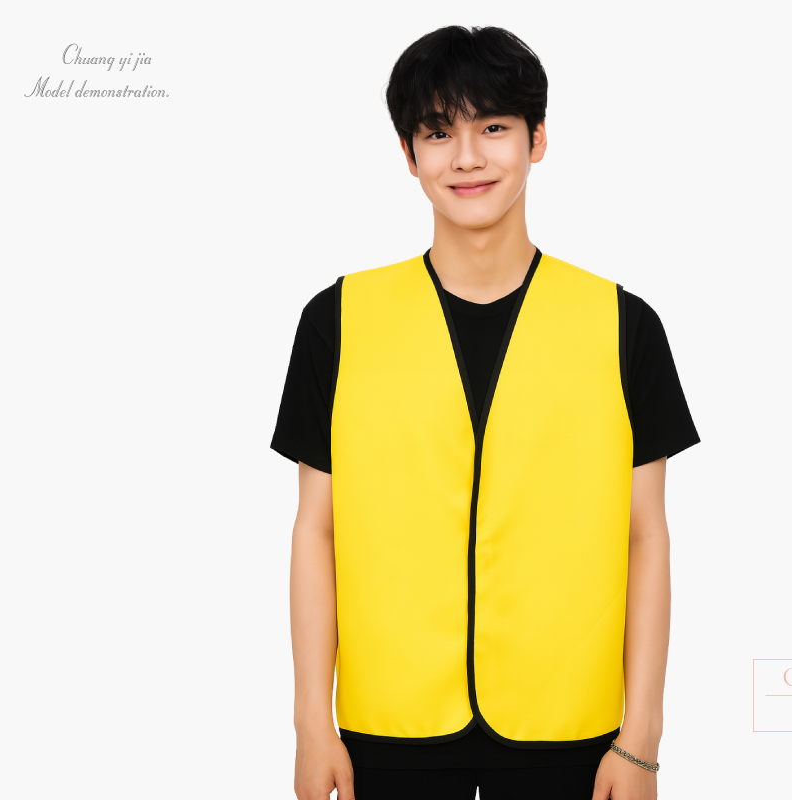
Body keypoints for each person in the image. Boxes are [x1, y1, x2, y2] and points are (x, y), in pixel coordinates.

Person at [270, 24, 700, 800]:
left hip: (571, 728)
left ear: (538, 139)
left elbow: (647, 537)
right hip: (387, 727)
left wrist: (641, 740)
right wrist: (310, 723)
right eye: (439, 133)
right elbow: (316, 529)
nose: (466, 158)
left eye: (494, 127)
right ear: (409, 155)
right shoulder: (336, 321)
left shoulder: (623, 325)